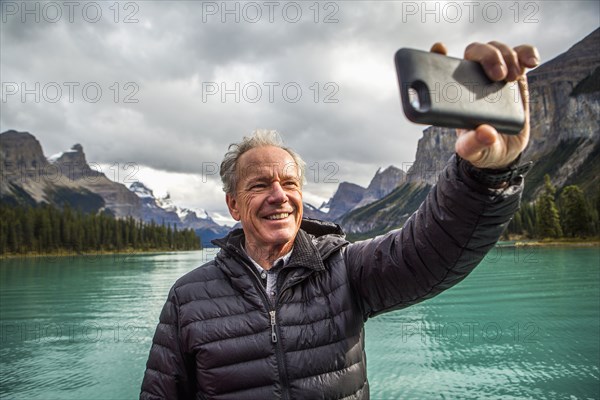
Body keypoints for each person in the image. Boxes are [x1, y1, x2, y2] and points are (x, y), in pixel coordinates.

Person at [140, 41, 539, 399]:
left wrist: (488, 174)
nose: (279, 195)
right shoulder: (187, 298)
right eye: (260, 185)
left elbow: (431, 250)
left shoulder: (344, 269)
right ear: (233, 205)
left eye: (289, 183)